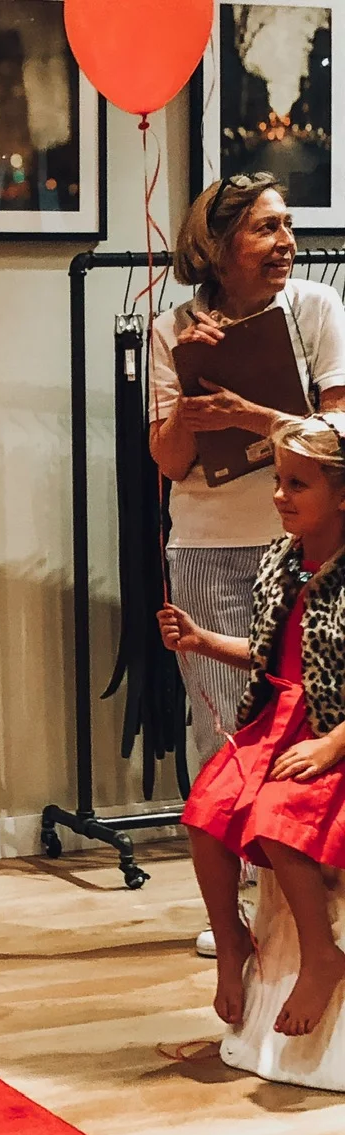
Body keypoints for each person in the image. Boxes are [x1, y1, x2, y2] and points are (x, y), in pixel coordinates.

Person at [150, 172, 345, 956]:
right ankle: (229, 906)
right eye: (266, 228)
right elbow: (169, 461)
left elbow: (338, 432)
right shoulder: (173, 327)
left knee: (303, 715)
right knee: (226, 728)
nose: (286, 242)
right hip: (207, 542)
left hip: (305, 544)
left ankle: (299, 896)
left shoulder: (317, 309)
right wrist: (191, 397)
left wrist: (254, 416)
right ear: (219, 246)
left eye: (288, 225)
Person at [159, 413, 345, 1038]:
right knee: (205, 811)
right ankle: (232, 936)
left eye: (298, 484)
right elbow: (269, 655)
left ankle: (322, 953)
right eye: (278, 480)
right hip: (280, 721)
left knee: (277, 817)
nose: (279, 496)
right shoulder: (283, 562)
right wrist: (203, 640)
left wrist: (332, 744)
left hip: (334, 731)